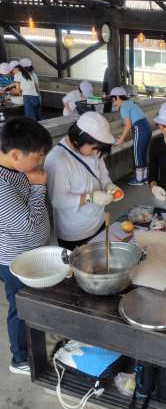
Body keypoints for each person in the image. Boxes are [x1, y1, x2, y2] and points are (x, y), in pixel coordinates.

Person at [0, 117, 52, 375]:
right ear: (15, 154)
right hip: (15, 259)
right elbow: (28, 226)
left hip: (30, 253)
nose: (40, 162)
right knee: (21, 305)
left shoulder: (16, 169)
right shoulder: (2, 186)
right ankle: (19, 358)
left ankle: (34, 342)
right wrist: (39, 188)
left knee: (31, 303)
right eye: (37, 156)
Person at [45, 111, 123, 250]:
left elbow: (102, 175)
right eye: (94, 148)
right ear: (78, 139)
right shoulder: (57, 160)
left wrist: (109, 186)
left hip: (98, 221)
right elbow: (58, 200)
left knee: (101, 259)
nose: (96, 153)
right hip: (75, 232)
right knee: (81, 264)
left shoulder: (93, 149)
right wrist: (90, 198)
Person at [110, 86, 152, 185]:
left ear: (117, 97)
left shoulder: (123, 107)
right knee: (143, 153)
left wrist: (121, 140)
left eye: (113, 99)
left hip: (139, 129)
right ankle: (144, 178)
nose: (112, 101)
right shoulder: (129, 103)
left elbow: (128, 125)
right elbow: (129, 124)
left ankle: (139, 180)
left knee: (137, 154)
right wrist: (123, 136)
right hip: (146, 127)